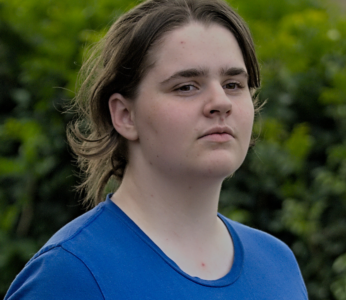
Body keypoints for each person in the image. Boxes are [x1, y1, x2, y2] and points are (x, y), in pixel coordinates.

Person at [5, 0, 308, 299]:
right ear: (125, 115)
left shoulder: (277, 265)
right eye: (186, 86)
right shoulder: (69, 276)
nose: (221, 102)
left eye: (233, 84)